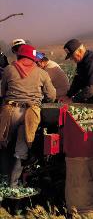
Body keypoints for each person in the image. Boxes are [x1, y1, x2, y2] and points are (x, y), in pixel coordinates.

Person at [0, 44, 56, 187]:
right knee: (21, 149)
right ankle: (13, 184)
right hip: (30, 114)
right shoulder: (42, 73)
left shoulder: (9, 69)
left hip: (10, 111)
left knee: (4, 143)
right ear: (33, 58)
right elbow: (51, 96)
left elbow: (3, 92)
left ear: (19, 56)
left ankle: (3, 180)